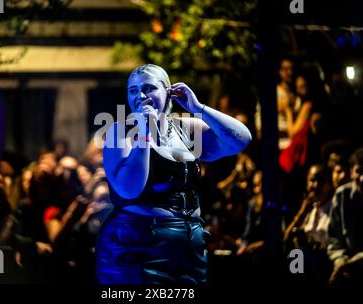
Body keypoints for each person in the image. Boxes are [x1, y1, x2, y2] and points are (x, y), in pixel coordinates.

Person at [95, 64, 251, 284]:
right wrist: (145, 135)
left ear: (168, 91)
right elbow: (129, 189)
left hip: (188, 247)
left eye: (149, 88)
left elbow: (240, 140)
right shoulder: (121, 132)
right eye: (133, 90)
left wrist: (198, 108)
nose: (140, 95)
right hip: (138, 247)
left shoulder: (185, 128)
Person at [327, 147, 363, 285]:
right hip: (344, 266)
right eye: (359, 172)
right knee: (298, 257)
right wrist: (340, 261)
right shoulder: (342, 195)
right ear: (352, 172)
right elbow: (334, 239)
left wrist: (352, 263)